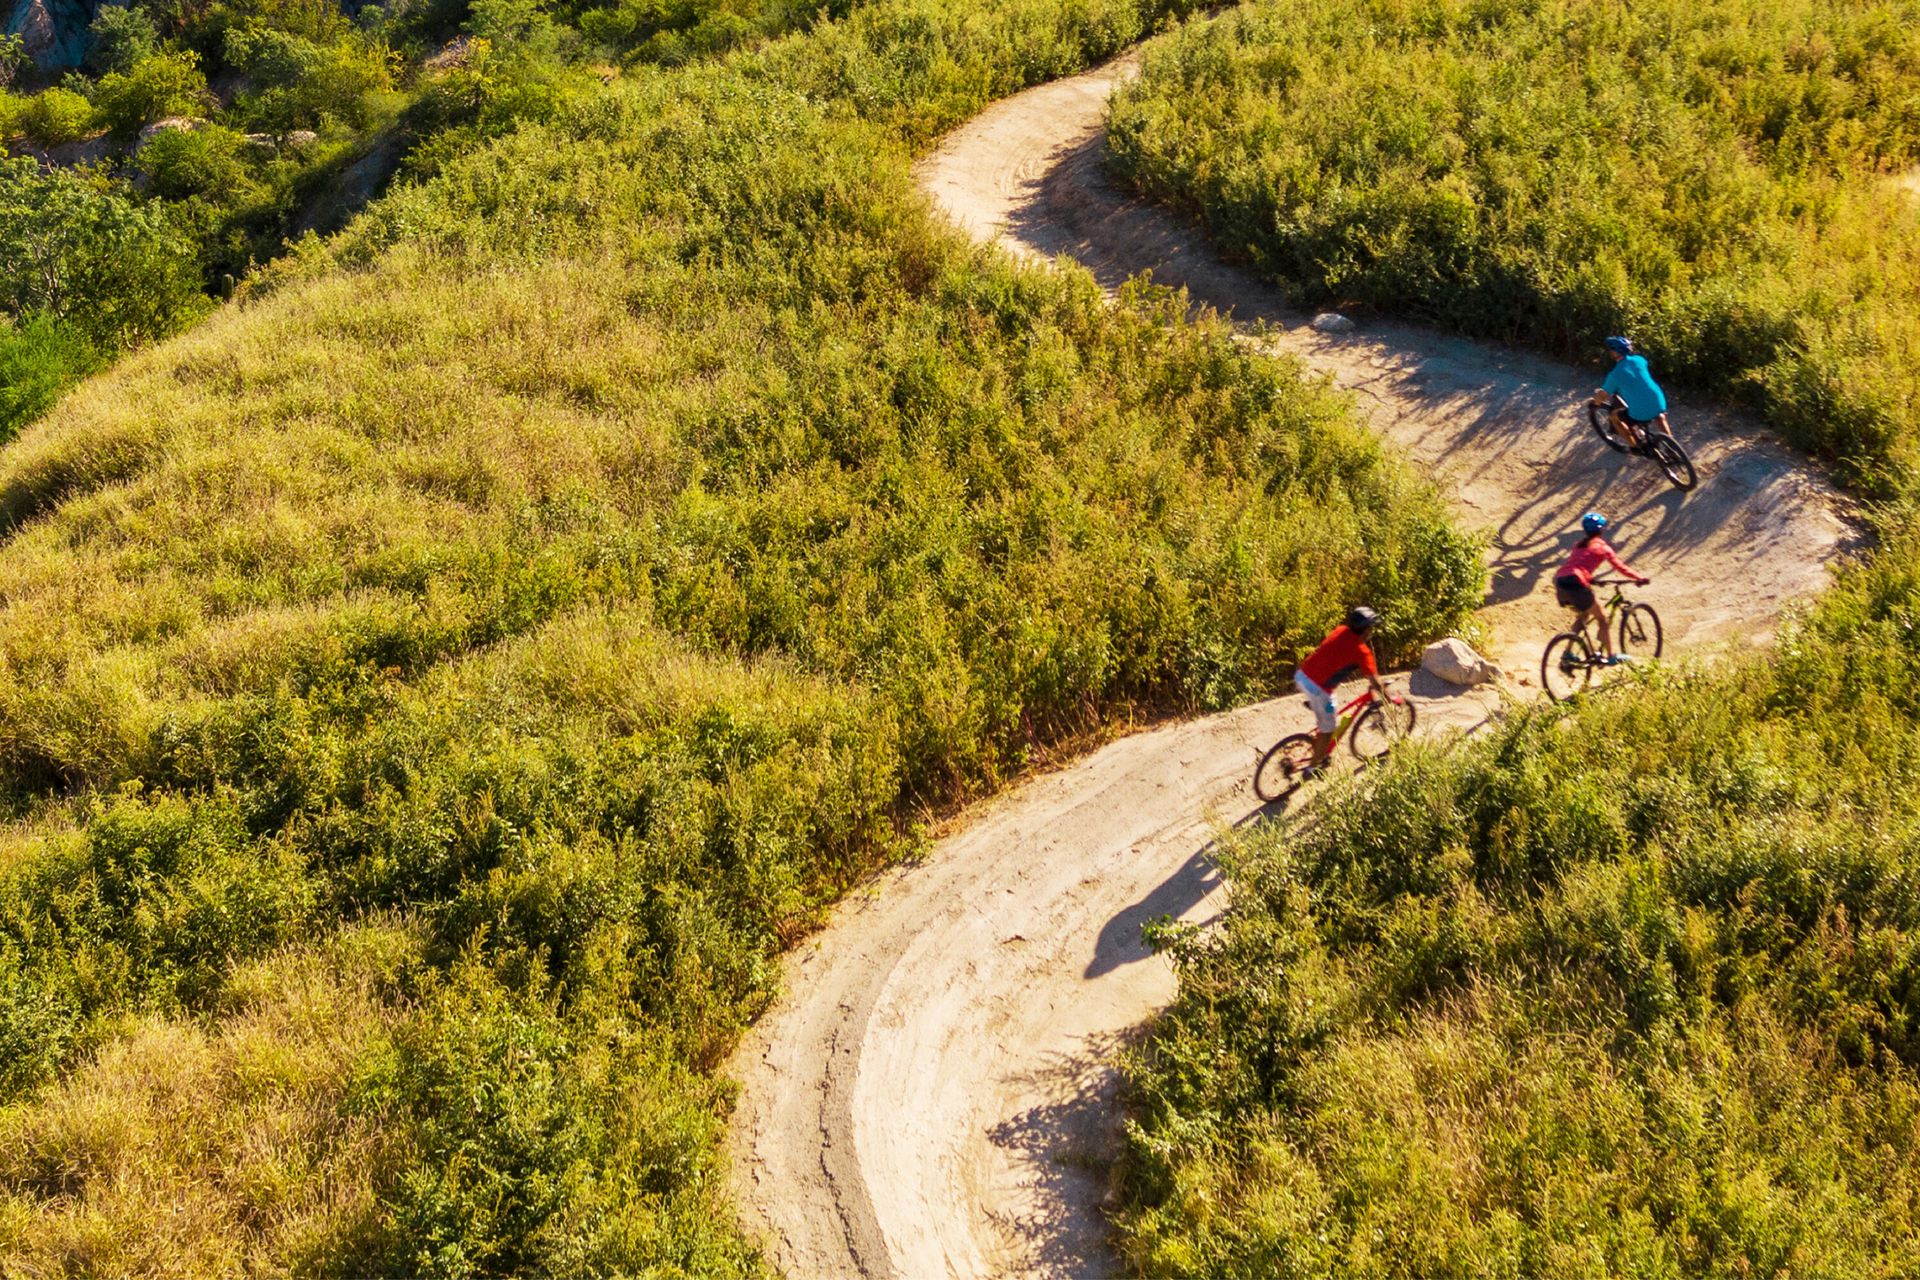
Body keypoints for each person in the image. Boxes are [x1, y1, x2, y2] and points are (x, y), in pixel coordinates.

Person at [1293, 606, 1398, 774]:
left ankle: (1319, 740)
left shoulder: (1341, 630)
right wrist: (1388, 698)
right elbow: (1375, 681)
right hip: (1318, 689)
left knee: (1328, 711)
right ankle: (1312, 768)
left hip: (1302, 676)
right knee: (1329, 729)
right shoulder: (1361, 651)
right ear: (1366, 630)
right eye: (1370, 628)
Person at [1554, 512, 1648, 664]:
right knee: (1603, 619)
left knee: (1584, 616)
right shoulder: (1603, 547)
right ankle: (1611, 656)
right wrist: (1639, 578)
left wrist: (1591, 579)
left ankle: (1568, 652)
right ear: (1601, 530)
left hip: (1560, 582)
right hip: (1577, 583)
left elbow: (1576, 565)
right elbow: (1620, 567)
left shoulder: (1578, 545)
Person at [1589, 336, 1672, 447]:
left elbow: (1602, 395)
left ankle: (1634, 447)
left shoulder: (1615, 375)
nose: (1609, 352)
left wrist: (1594, 403)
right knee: (1659, 416)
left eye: (1610, 349)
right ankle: (1672, 447)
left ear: (1615, 352)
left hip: (1640, 411)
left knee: (1615, 417)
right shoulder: (1640, 360)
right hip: (1659, 401)